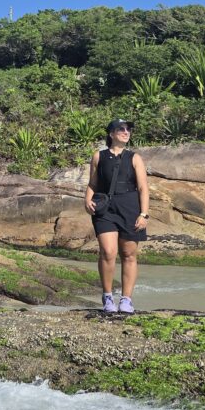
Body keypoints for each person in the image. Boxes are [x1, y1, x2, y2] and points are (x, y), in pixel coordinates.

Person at [85, 118, 150, 314]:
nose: (126, 132)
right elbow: (92, 184)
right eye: (121, 129)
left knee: (129, 254)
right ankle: (107, 297)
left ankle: (126, 300)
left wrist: (144, 214)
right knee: (108, 251)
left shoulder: (134, 158)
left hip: (130, 207)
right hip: (105, 209)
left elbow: (143, 187)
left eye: (128, 129)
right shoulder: (99, 156)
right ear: (111, 134)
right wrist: (87, 200)